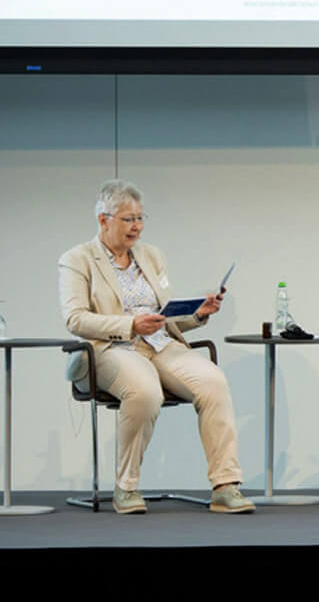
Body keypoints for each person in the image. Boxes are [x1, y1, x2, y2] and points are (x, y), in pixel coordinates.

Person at [58, 180, 253, 514]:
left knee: (214, 382)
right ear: (103, 220)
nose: (137, 227)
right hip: (110, 348)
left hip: (160, 343)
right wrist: (129, 325)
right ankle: (127, 487)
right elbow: (75, 319)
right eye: (128, 219)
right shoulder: (77, 260)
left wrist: (196, 315)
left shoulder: (151, 255)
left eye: (140, 218)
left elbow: (164, 317)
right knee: (145, 391)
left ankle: (225, 485)